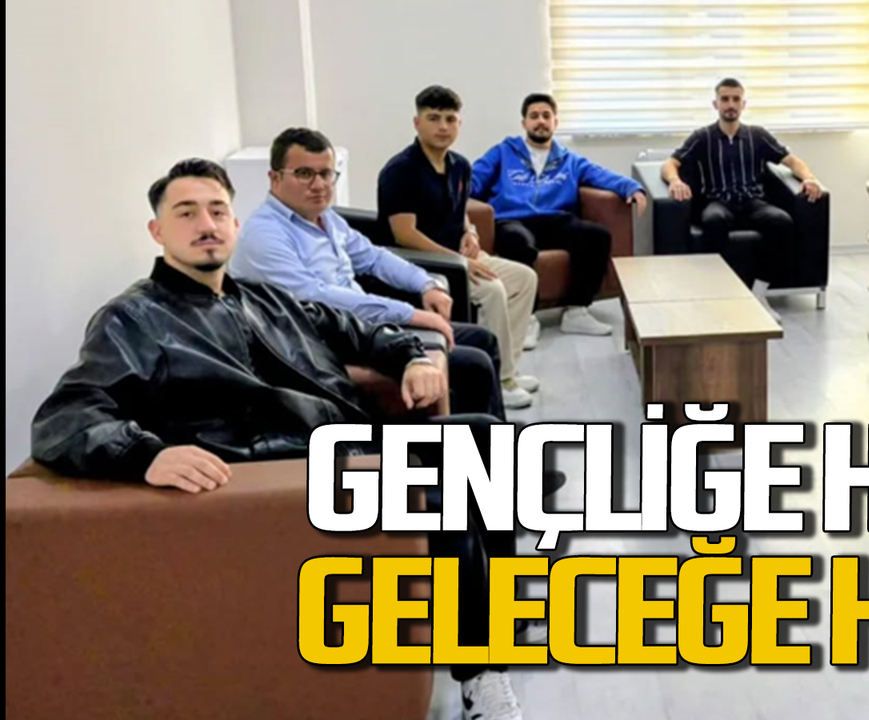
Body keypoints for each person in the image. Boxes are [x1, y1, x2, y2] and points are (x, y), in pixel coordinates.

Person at [30, 158, 526, 720]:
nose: (206, 224)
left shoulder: (262, 298)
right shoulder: (132, 319)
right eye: (186, 213)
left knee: (485, 438)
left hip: (342, 444)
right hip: (276, 470)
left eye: (217, 211)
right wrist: (147, 454)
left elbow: (356, 330)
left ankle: (492, 609)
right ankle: (479, 670)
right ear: (157, 231)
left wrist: (410, 357)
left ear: (234, 223)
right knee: (444, 491)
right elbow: (67, 414)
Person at [230, 127, 506, 416]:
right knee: (473, 365)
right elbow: (315, 296)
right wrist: (408, 313)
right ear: (274, 178)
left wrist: (425, 284)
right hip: (322, 343)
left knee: (484, 340)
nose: (319, 185)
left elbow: (374, 258)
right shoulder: (264, 235)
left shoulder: (325, 218)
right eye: (304, 174)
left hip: (364, 329)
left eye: (326, 174)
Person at [378, 86, 540, 409]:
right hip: (424, 265)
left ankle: (507, 369)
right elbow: (404, 234)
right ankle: (500, 381)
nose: (443, 126)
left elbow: (460, 210)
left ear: (459, 124)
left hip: (461, 256)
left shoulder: (460, 165)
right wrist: (460, 261)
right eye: (434, 118)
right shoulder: (400, 171)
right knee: (492, 290)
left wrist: (471, 233)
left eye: (450, 119)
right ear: (417, 123)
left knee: (525, 279)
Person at [471, 92, 648, 337]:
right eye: (534, 116)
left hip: (555, 220)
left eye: (546, 116)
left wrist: (632, 187)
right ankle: (526, 318)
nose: (540, 121)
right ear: (524, 123)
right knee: (517, 242)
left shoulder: (569, 160)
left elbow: (601, 175)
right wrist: (454, 191)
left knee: (596, 236)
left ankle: (577, 311)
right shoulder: (502, 152)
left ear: (555, 122)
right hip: (513, 218)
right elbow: (473, 179)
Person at [661, 78, 824, 299]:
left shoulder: (757, 135)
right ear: (716, 104)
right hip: (717, 202)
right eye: (725, 99)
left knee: (782, 222)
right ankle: (720, 292)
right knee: (713, 221)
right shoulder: (703, 136)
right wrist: (675, 181)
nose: (731, 104)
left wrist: (809, 178)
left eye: (736, 99)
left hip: (752, 202)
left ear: (743, 104)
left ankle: (759, 292)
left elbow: (792, 161)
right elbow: (670, 164)